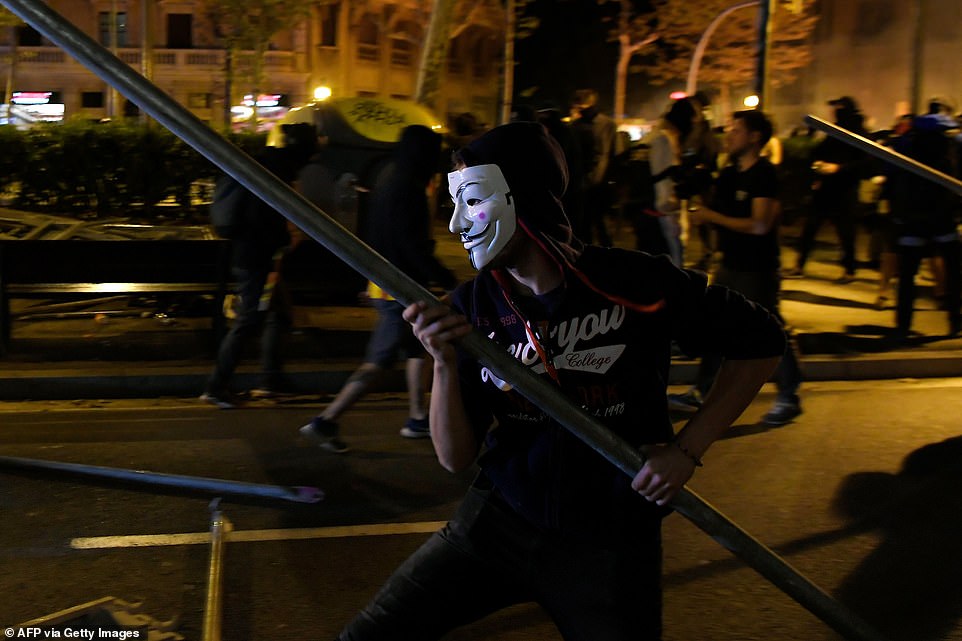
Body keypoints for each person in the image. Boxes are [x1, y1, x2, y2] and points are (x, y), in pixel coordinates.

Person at [334, 122, 785, 640]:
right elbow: (454, 458)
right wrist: (441, 361)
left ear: (524, 200)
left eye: (472, 201)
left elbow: (762, 340)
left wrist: (686, 451)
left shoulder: (633, 282)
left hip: (609, 540)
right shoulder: (473, 308)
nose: (457, 223)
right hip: (498, 523)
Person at [298, 125, 457, 453]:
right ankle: (326, 420)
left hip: (388, 286)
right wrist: (445, 276)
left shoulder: (390, 181)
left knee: (417, 350)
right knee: (378, 362)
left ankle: (417, 418)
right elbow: (413, 246)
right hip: (398, 290)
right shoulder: (408, 191)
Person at [668, 110, 803, 426]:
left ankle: (789, 395)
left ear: (755, 137)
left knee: (769, 330)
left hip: (758, 269)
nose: (729, 136)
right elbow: (713, 210)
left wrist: (711, 217)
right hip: (730, 264)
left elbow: (759, 225)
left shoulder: (765, 174)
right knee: (716, 324)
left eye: (736, 130)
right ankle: (702, 389)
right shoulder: (729, 174)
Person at [200, 125, 316, 408]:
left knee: (279, 313)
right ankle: (217, 386)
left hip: (255, 255)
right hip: (257, 259)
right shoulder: (275, 170)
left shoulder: (266, 163)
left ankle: (270, 380)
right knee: (250, 319)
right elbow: (263, 218)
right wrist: (284, 240)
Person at [885, 112, 962, 340]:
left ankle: (903, 326)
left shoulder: (907, 148)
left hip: (915, 220)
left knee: (908, 275)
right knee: (951, 274)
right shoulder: (947, 151)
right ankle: (955, 321)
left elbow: (892, 180)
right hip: (939, 219)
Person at [786, 96, 869, 283]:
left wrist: (839, 168)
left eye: (839, 108)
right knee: (810, 227)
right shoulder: (834, 132)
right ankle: (799, 264)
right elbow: (817, 153)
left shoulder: (858, 134)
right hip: (826, 189)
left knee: (846, 232)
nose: (835, 111)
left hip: (846, 190)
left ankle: (849, 269)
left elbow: (864, 163)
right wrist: (817, 169)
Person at [571, 88, 616, 246]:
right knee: (585, 225)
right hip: (582, 182)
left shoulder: (606, 125)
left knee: (601, 224)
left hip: (600, 183)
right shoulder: (575, 126)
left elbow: (612, 154)